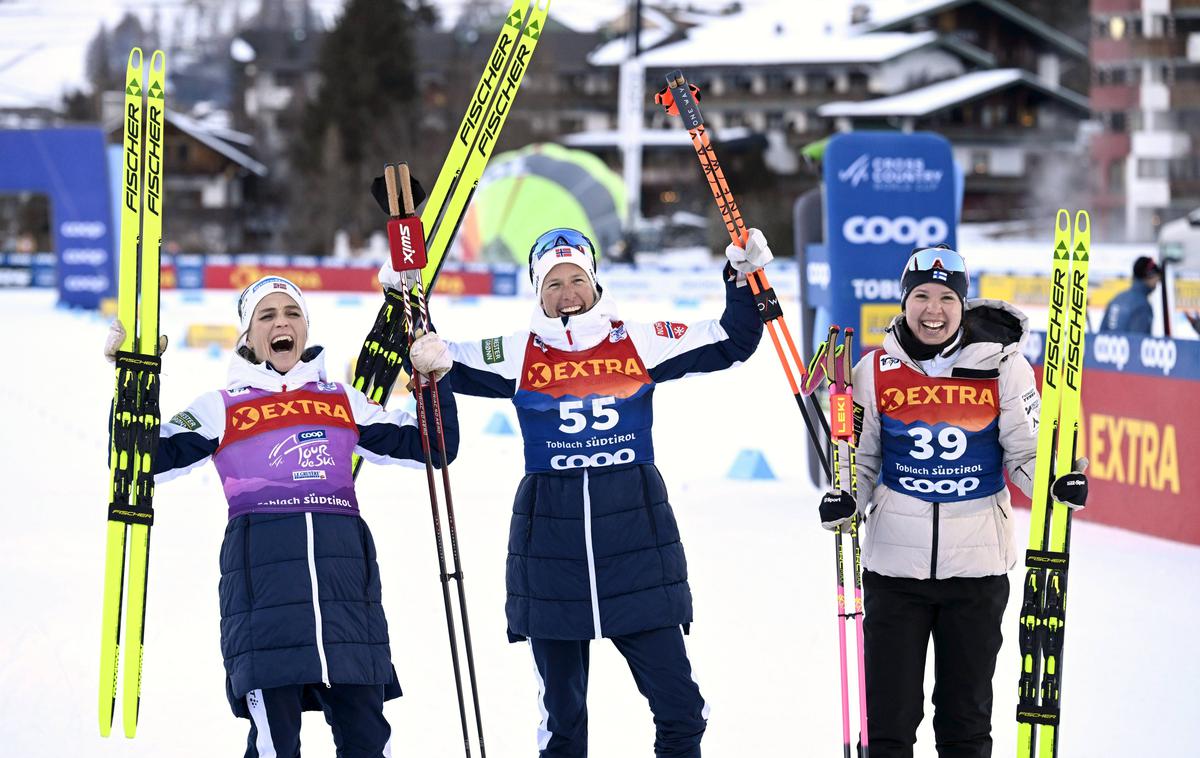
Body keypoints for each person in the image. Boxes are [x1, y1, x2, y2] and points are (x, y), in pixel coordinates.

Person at [405, 227, 770, 757]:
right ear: (536, 292)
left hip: (637, 543)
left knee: (680, 709)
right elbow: (437, 358)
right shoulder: (515, 351)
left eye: (576, 278)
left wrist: (743, 276)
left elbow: (733, 341)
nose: (566, 292)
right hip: (550, 547)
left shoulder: (638, 340)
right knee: (563, 722)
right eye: (552, 284)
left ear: (595, 280)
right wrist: (415, 318)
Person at [104, 275, 459, 758]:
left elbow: (433, 446)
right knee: (275, 746)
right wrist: (133, 380)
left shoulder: (343, 401)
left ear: (305, 328)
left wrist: (433, 381)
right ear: (247, 336)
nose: (281, 323)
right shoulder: (222, 408)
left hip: (347, 603)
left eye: (291, 313)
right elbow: (140, 460)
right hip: (265, 608)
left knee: (367, 742)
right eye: (266, 316)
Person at [816, 247, 1089, 758]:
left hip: (978, 570)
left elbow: (1027, 453)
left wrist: (1058, 481)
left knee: (965, 723)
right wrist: (846, 498)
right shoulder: (873, 372)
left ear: (964, 303)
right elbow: (861, 460)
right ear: (904, 301)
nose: (933, 310)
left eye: (946, 297)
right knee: (890, 724)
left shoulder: (1004, 368)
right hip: (894, 570)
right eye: (921, 296)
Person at [1100, 255, 1162, 334]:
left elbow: (1100, 336)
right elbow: (1138, 342)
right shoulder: (1142, 306)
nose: (1157, 283)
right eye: (1157, 279)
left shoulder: (1117, 299)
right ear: (1150, 275)